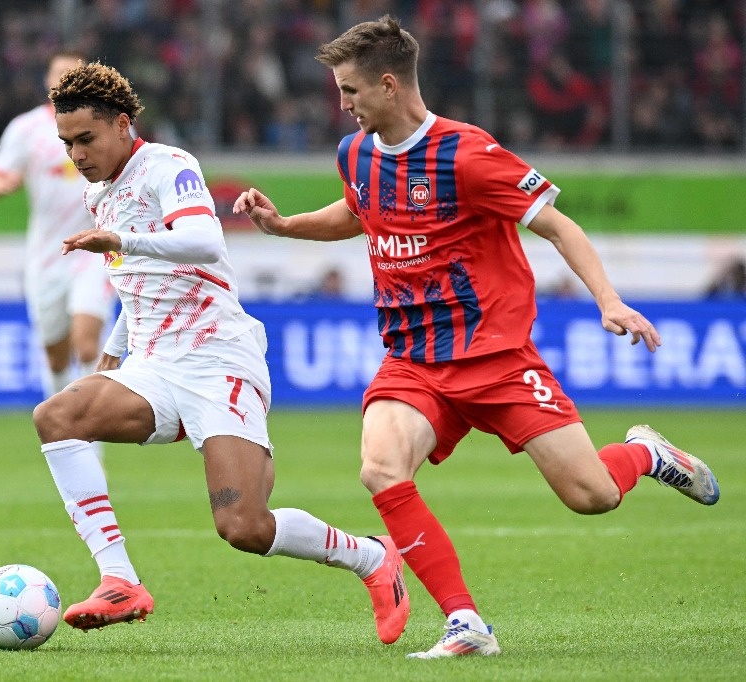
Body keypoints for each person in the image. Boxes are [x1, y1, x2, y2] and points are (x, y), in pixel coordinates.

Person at [233, 15, 720, 659]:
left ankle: (647, 454)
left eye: (349, 90)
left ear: (387, 84)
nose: (341, 104)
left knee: (592, 496)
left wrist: (609, 300)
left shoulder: (468, 155)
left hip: (495, 357)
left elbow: (560, 228)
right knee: (380, 468)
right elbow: (356, 212)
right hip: (412, 359)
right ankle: (466, 623)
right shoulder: (355, 153)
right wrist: (286, 225)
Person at [32, 61, 410, 643]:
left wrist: (121, 239)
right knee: (56, 416)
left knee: (244, 528)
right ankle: (119, 578)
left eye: (85, 139)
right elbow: (138, 282)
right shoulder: (98, 193)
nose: (77, 154)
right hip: (153, 366)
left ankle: (372, 557)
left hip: (219, 362)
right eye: (67, 143)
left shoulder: (169, 166)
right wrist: (114, 349)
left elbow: (205, 242)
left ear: (122, 125)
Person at [0, 50, 117, 403]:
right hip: (48, 255)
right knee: (56, 354)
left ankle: (92, 436)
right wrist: (2, 186)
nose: (65, 79)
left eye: (74, 73)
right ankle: (64, 426)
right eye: (59, 73)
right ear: (48, 80)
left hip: (95, 248)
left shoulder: (112, 124)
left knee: (87, 344)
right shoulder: (27, 129)